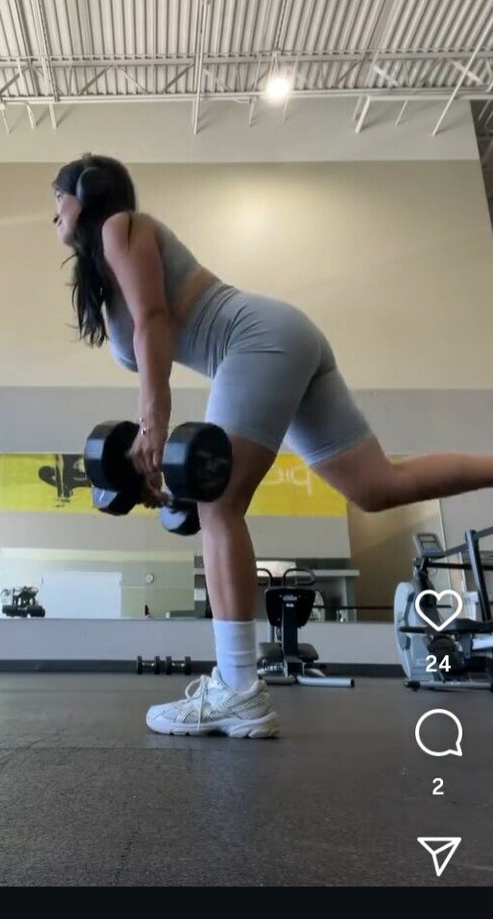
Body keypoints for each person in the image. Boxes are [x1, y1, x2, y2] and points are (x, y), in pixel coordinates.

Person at [52, 153, 493, 738]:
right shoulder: (106, 271)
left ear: (89, 191)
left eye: (57, 195)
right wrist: (156, 465)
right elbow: (153, 331)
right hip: (276, 338)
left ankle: (239, 688)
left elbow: (155, 320)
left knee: (219, 505)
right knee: (377, 487)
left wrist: (154, 422)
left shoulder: (120, 227)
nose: (53, 211)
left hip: (252, 339)